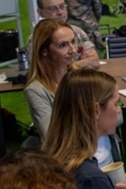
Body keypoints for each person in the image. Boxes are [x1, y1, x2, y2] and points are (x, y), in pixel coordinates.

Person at [24, 20, 119, 169]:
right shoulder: (36, 90)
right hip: (75, 163)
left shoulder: (81, 76)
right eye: (63, 45)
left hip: (105, 153)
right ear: (44, 51)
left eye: (72, 42)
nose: (73, 50)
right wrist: (97, 118)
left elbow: (116, 117)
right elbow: (52, 136)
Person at [27, 0, 100, 69]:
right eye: (53, 9)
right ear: (40, 12)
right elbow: (44, 70)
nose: (60, 12)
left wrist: (71, 66)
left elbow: (94, 62)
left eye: (62, 6)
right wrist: (82, 64)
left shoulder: (77, 31)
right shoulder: (37, 39)